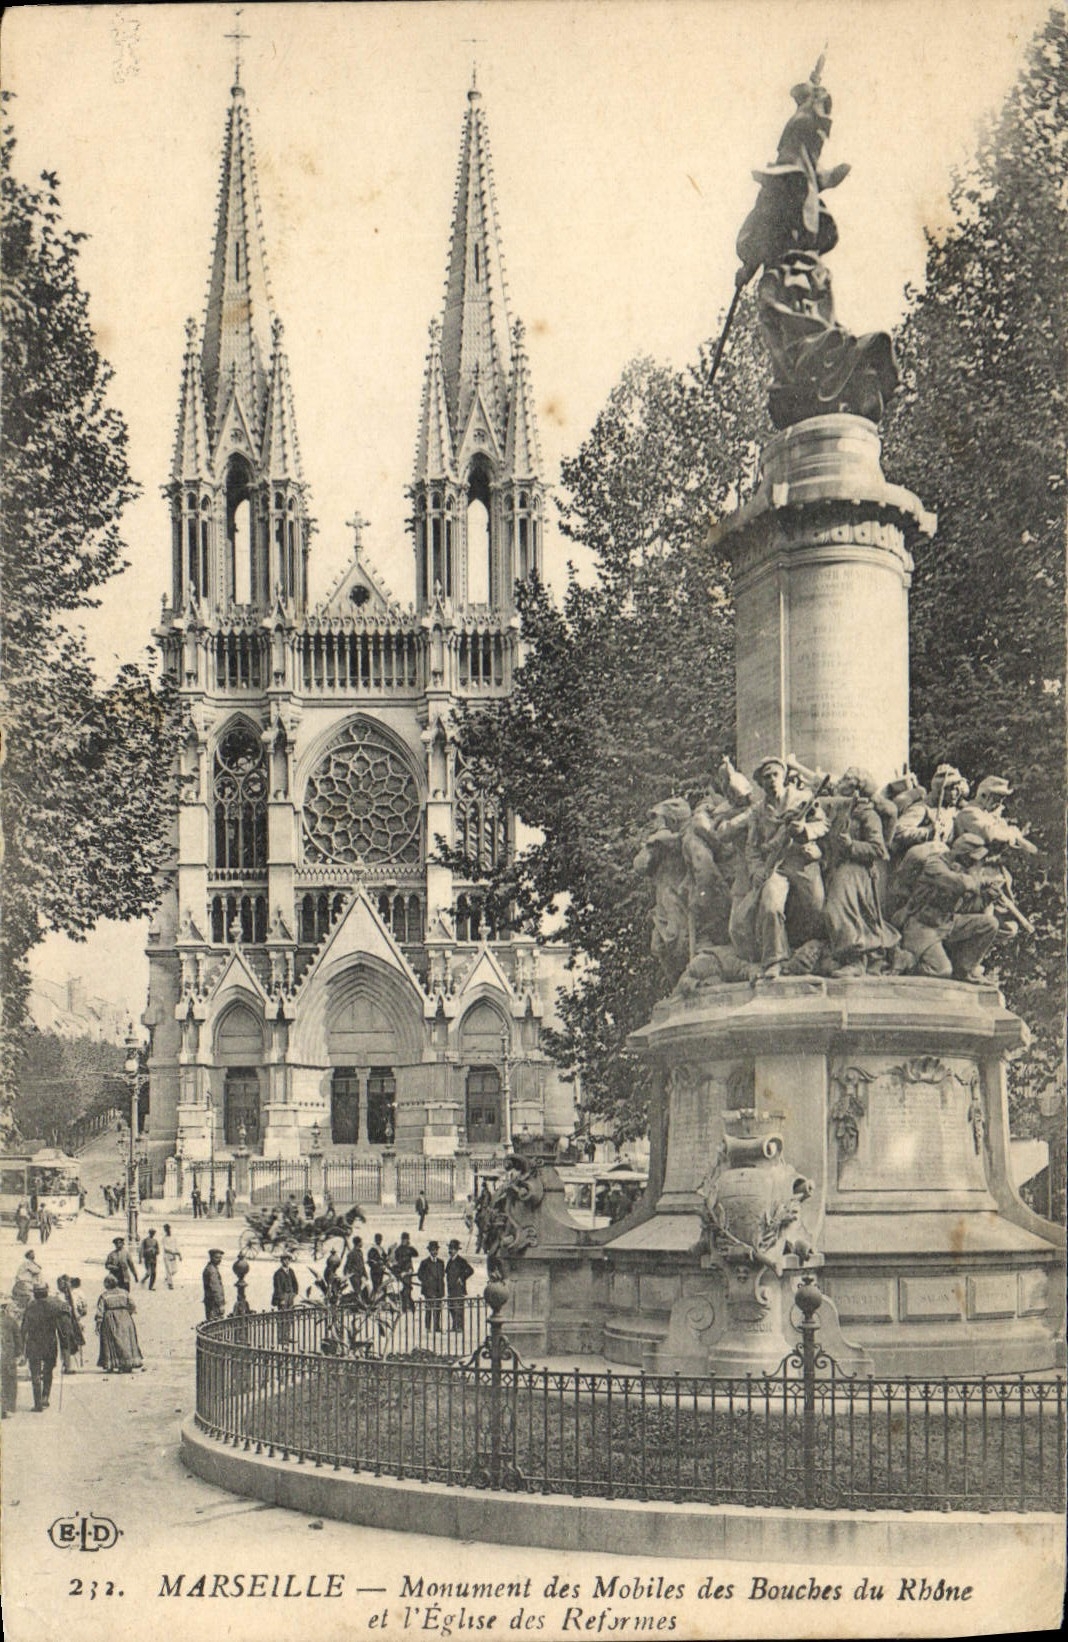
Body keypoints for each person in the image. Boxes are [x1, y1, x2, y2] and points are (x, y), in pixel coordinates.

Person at [734, 757, 828, 974]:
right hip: (775, 866)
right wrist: (756, 870)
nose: (771, 780)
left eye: (775, 775)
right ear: (760, 782)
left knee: (816, 907)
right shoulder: (758, 811)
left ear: (784, 776)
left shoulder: (802, 799)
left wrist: (805, 831)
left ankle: (815, 952)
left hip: (802, 861)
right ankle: (774, 959)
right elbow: (752, 847)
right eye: (766, 777)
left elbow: (823, 824)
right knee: (770, 907)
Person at [821, 768, 901, 974]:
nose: (841, 781)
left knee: (835, 909)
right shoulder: (838, 810)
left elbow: (879, 849)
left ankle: (855, 960)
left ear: (857, 787)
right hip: (835, 867)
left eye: (847, 779)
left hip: (857, 870)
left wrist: (851, 845)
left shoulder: (867, 814)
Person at [21, 1283, 62, 1410]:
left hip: (34, 1344)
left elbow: (24, 1328)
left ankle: (37, 1402)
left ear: (34, 1293)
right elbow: (61, 1327)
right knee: (48, 1371)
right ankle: (45, 1397)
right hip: (50, 1343)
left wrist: (21, 1345)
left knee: (35, 1373)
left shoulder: (30, 1306)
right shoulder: (54, 1305)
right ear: (47, 1292)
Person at [95, 1276, 143, 1373]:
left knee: (111, 1341)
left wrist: (98, 1323)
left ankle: (111, 1364)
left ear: (107, 1284)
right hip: (125, 1318)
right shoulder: (124, 1293)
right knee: (126, 1341)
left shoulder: (104, 1295)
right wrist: (126, 1313)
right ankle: (127, 1364)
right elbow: (132, 1305)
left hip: (110, 1318)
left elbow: (100, 1311)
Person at [53, 1275, 86, 1372]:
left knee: (66, 1342)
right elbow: (83, 1309)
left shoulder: (57, 1296)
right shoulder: (76, 1295)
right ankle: (68, 1365)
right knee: (69, 1341)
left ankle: (66, 1365)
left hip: (64, 1321)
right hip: (70, 1320)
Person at [445, 1240, 474, 1332]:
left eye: (453, 1249)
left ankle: (459, 1327)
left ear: (457, 1250)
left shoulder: (461, 1261)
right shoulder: (449, 1261)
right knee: (451, 1308)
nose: (451, 1251)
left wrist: (462, 1278)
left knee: (458, 1308)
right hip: (451, 1288)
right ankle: (454, 1326)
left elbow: (470, 1270)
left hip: (458, 1288)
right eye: (450, 1248)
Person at [416, 1242, 445, 1332]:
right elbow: (420, 1275)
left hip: (438, 1289)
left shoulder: (441, 1262)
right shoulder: (424, 1263)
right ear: (429, 1251)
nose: (435, 1252)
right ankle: (428, 1327)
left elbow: (442, 1275)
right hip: (428, 1289)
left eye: (436, 1250)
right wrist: (427, 1282)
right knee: (429, 1309)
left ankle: (437, 1326)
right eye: (433, 1250)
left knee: (438, 1309)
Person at [271, 1252, 299, 1342]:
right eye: (285, 1260)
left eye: (288, 1260)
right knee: (282, 1317)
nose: (286, 1262)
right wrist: (281, 1299)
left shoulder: (291, 1271)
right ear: (281, 1261)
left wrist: (294, 1293)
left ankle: (287, 1336)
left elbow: (295, 1283)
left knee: (290, 1317)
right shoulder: (278, 1273)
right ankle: (281, 1338)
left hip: (290, 1296)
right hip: (282, 1297)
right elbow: (277, 1287)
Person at [391, 1231, 419, 1314]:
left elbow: (416, 1254)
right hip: (402, 1272)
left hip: (408, 1272)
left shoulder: (409, 1248)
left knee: (407, 1290)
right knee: (405, 1290)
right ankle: (407, 1307)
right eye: (404, 1239)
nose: (405, 1241)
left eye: (406, 1239)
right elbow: (396, 1261)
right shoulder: (398, 1250)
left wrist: (410, 1246)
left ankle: (408, 1307)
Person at [1, 1296, 19, 1416]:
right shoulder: (10, 1321)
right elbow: (18, 1339)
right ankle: (7, 1408)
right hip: (7, 1356)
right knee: (9, 1380)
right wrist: (19, 1354)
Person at [11, 1251, 43, 1321]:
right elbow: (37, 1270)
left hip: (20, 1286)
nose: (34, 1255)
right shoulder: (28, 1263)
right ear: (29, 1256)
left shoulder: (27, 1263)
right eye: (32, 1254)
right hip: (24, 1285)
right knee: (31, 1302)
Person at [202, 1248, 226, 1322]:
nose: (219, 1260)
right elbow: (215, 1288)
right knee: (215, 1324)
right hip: (214, 1304)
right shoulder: (212, 1270)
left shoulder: (211, 1268)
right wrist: (220, 1304)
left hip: (211, 1302)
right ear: (211, 1258)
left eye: (220, 1258)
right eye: (216, 1258)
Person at [162, 1224, 182, 1289]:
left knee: (174, 1270)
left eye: (169, 1229)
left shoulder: (174, 1238)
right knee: (169, 1270)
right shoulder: (164, 1239)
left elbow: (176, 1246)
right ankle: (170, 1284)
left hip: (173, 1256)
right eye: (167, 1230)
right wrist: (174, 1252)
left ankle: (168, 1278)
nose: (168, 1231)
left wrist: (179, 1254)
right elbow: (165, 1248)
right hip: (167, 1256)